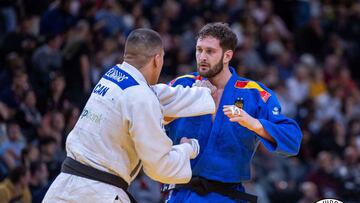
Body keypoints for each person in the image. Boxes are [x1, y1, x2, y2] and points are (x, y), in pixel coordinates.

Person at [43, 28, 215, 203]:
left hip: (63, 187)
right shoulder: (141, 97)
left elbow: (154, 96)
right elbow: (159, 166)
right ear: (157, 59)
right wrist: (188, 148)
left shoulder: (112, 76)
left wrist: (201, 95)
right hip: (98, 194)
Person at [166, 22, 302, 203]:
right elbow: (146, 120)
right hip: (180, 194)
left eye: (210, 51)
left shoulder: (254, 93)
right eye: (199, 50)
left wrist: (254, 123)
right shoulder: (181, 86)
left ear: (227, 55)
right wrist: (184, 104)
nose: (202, 57)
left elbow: (293, 141)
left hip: (227, 196)